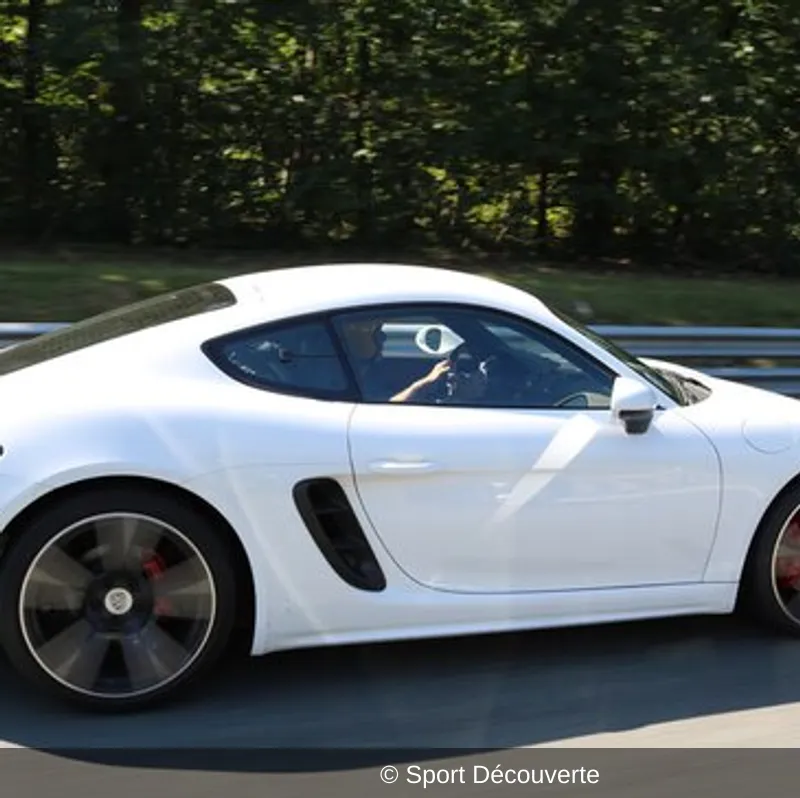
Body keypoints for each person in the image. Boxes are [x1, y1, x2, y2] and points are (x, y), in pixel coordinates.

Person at [339, 318, 450, 403]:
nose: (383, 338)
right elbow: (383, 411)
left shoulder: (372, 372)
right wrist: (426, 383)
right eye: (378, 334)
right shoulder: (344, 380)